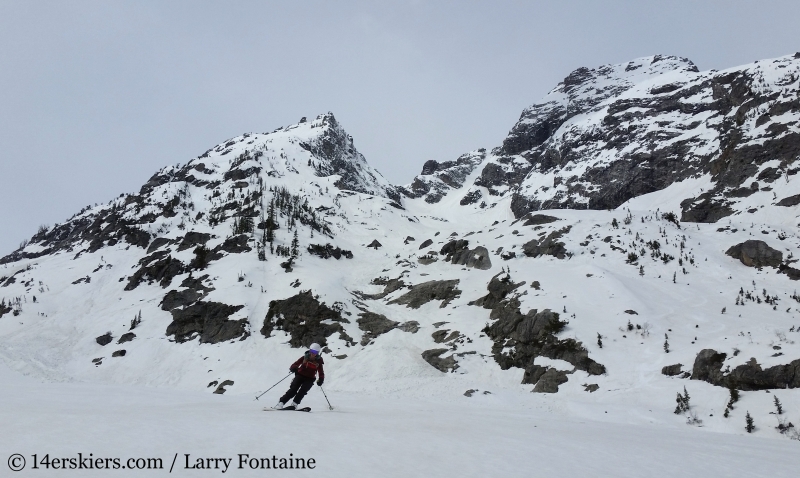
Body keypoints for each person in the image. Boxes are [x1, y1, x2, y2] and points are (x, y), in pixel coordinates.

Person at [274, 343, 325, 409]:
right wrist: (294, 368)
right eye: (312, 351)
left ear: (317, 353)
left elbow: (321, 372)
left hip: (310, 378)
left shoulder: (319, 361)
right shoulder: (305, 357)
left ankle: (295, 404)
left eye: (315, 352)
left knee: (302, 391)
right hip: (300, 375)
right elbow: (295, 364)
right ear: (309, 351)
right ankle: (281, 403)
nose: (313, 354)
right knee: (293, 390)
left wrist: (321, 379)